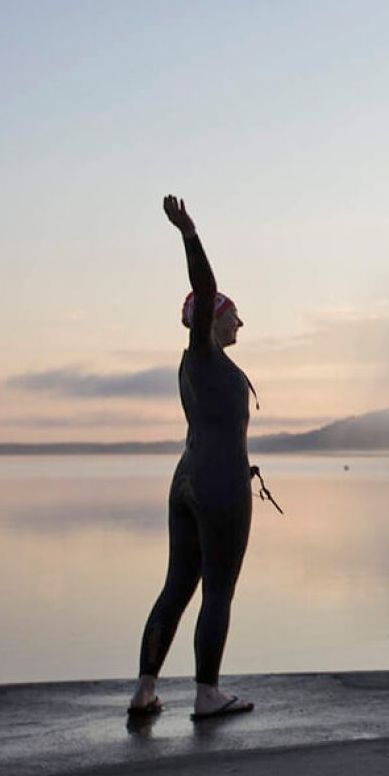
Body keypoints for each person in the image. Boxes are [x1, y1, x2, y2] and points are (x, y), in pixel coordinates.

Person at [127, 195, 256, 721]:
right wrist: (190, 233)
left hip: (187, 478)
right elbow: (204, 289)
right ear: (210, 320)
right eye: (234, 315)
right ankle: (207, 694)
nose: (241, 324)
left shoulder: (197, 365)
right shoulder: (203, 354)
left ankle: (144, 691)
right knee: (218, 590)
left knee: (178, 584)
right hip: (219, 484)